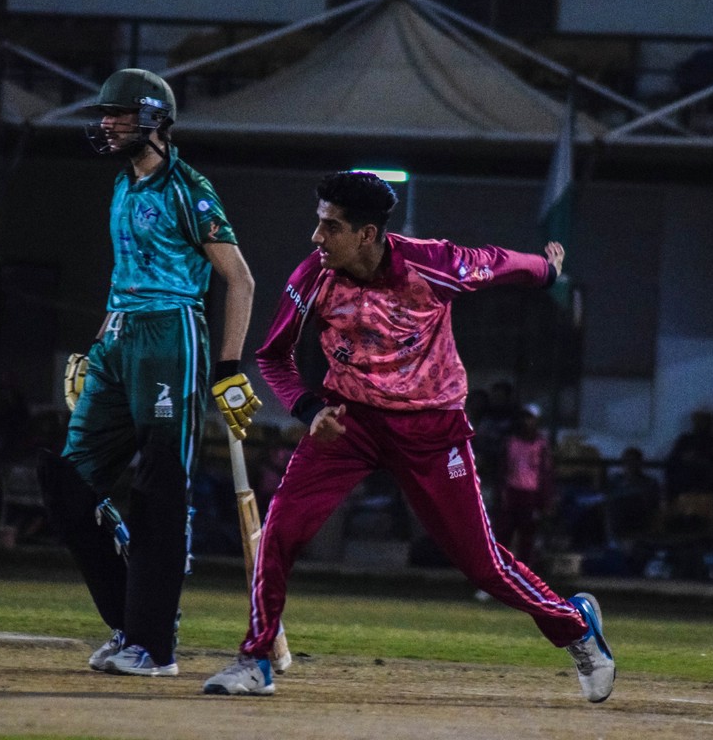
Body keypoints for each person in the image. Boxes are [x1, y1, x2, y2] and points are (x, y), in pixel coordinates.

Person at [202, 171, 614, 702]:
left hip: (431, 428)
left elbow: (498, 264)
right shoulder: (313, 276)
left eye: (331, 226)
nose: (316, 237)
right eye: (319, 222)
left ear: (367, 235)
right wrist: (310, 409)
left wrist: (546, 270)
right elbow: (273, 357)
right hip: (348, 421)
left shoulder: (432, 263)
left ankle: (576, 626)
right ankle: (256, 659)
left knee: (481, 564)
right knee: (279, 529)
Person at [36, 69, 259, 678]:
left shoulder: (189, 188)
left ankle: (153, 647)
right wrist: (100, 343)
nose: (106, 124)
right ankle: (131, 620)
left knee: (160, 488)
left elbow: (239, 280)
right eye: (104, 114)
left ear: (155, 120)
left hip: (171, 337)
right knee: (67, 483)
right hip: (120, 339)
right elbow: (125, 273)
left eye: (119, 114)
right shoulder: (122, 184)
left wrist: (228, 369)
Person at [494, 405, 555, 566]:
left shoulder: (541, 445)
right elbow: (502, 469)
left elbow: (545, 473)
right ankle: (499, 568)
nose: (526, 422)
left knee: (527, 537)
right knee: (504, 533)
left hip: (530, 494)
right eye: (524, 418)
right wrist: (500, 493)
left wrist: (545, 500)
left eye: (530, 418)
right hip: (512, 491)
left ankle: (524, 570)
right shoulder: (510, 442)